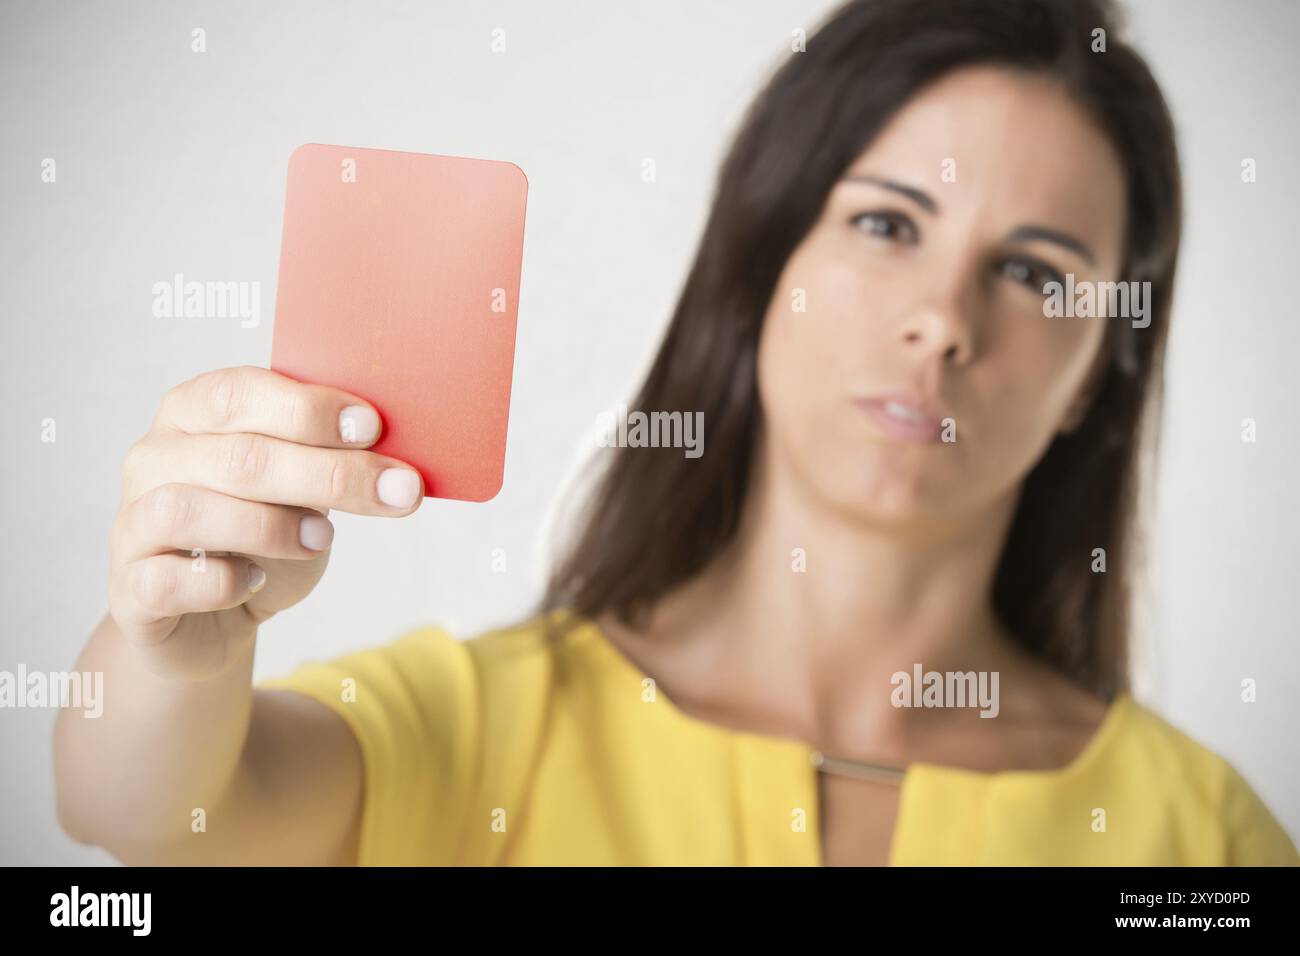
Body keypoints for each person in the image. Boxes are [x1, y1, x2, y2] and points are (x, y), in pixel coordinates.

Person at [54, 0, 1299, 865]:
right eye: (884, 224)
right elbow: (148, 809)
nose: (941, 322)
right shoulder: (486, 727)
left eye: (1033, 272)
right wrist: (179, 651)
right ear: (760, 266)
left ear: (1093, 376)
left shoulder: (1199, 836)